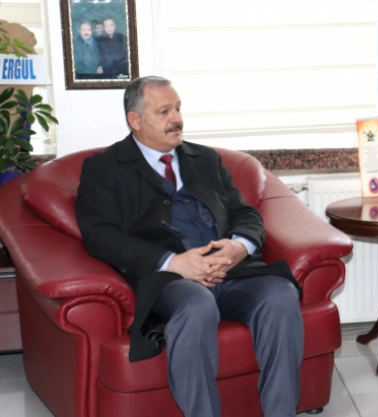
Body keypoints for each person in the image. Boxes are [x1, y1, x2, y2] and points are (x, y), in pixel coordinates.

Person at [75, 76, 304, 417]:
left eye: (178, 109)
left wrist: (239, 247)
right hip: (168, 280)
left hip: (230, 271)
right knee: (196, 304)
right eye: (164, 111)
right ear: (135, 120)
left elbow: (244, 213)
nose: (177, 119)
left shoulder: (205, 159)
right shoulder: (104, 169)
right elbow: (100, 235)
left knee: (280, 294)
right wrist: (173, 262)